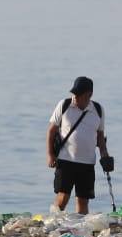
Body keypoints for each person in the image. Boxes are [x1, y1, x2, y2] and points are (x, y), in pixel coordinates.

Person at [46, 76, 114, 214]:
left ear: (89, 94)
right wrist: (50, 155)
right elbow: (51, 131)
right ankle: (54, 222)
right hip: (66, 161)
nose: (75, 97)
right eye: (74, 94)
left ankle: (80, 228)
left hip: (87, 163)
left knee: (83, 200)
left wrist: (105, 155)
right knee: (62, 197)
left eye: (79, 94)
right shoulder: (64, 105)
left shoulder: (98, 110)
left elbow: (100, 137)